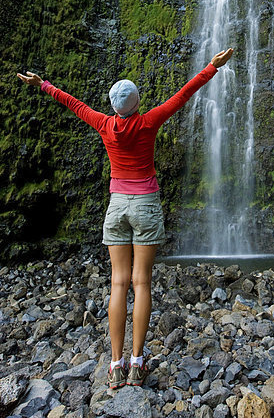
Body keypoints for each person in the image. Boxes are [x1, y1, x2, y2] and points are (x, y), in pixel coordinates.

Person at [17, 47, 234, 389]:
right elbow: (183, 94)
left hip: (117, 206)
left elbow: (73, 104)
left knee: (118, 283)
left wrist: (42, 84)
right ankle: (137, 362)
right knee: (141, 283)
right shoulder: (148, 121)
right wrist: (212, 67)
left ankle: (115, 365)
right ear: (135, 104)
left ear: (114, 107)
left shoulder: (104, 123)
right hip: (146, 204)